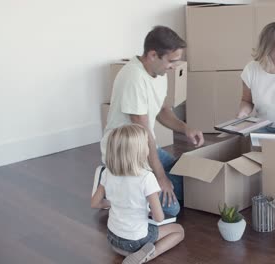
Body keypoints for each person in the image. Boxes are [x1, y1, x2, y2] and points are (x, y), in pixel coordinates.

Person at [94, 26, 205, 216]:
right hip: (125, 153)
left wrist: (185, 128)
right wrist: (160, 178)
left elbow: (162, 110)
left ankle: (118, 184)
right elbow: (143, 134)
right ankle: (111, 180)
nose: (173, 67)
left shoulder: (159, 72)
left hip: (145, 148)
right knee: (172, 208)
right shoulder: (133, 78)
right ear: (153, 55)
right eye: (171, 61)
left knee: (188, 186)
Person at [91, 124, 185, 264]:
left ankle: (137, 253)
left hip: (113, 240)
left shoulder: (108, 173)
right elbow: (159, 218)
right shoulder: (146, 178)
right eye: (147, 145)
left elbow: (95, 203)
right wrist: (151, 211)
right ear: (140, 151)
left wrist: (115, 203)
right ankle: (147, 255)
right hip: (134, 243)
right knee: (178, 231)